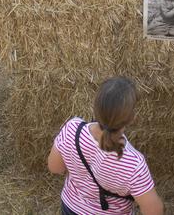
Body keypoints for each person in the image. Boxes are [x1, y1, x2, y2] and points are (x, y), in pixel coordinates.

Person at [47, 77, 164, 215]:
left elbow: (55, 168)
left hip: (70, 209)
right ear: (132, 118)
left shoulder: (72, 129)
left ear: (95, 107)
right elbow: (153, 210)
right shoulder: (134, 164)